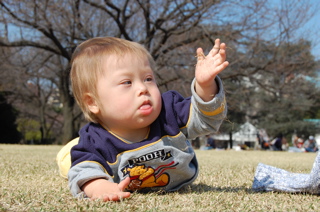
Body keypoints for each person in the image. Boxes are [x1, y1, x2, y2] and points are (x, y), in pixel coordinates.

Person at [56, 37, 229, 201]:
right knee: (74, 163)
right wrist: (100, 187)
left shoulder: (169, 112)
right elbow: (84, 170)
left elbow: (207, 120)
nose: (142, 88)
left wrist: (205, 87)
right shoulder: (94, 140)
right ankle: (67, 154)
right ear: (92, 102)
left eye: (148, 79)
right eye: (127, 82)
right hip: (95, 160)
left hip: (170, 181)